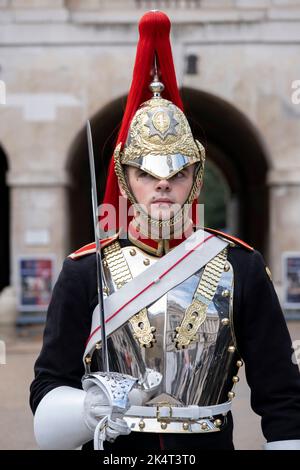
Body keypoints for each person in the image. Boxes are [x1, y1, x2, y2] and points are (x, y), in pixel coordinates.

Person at [30, 10, 300, 451]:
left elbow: (282, 396)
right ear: (125, 178)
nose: (162, 182)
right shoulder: (84, 271)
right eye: (147, 171)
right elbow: (49, 384)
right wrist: (86, 411)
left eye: (176, 171)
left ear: (195, 177)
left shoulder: (242, 268)